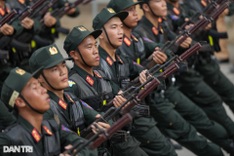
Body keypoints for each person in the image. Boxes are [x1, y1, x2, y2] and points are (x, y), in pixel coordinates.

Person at [92, 6, 223, 156]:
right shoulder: (98, 64)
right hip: (120, 125)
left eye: (121, 26)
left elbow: (148, 64)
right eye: (114, 27)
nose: (120, 31)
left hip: (138, 113)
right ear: (101, 34)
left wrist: (152, 66)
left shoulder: (122, 57)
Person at [64, 24, 177, 156]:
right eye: (89, 47)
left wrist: (143, 82)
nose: (95, 50)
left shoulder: (101, 75)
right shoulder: (72, 84)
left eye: (95, 45)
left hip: (117, 138)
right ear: (74, 55)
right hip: (96, 147)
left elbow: (122, 95)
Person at [0, 67, 97, 156]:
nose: (44, 91)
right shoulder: (9, 141)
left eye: (40, 85)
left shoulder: (52, 127)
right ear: (20, 101)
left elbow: (88, 147)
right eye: (35, 88)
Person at [28, 44, 110, 135]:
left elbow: (98, 117)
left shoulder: (71, 98)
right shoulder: (44, 109)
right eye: (55, 69)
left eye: (63, 66)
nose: (62, 72)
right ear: (39, 77)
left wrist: (110, 124)